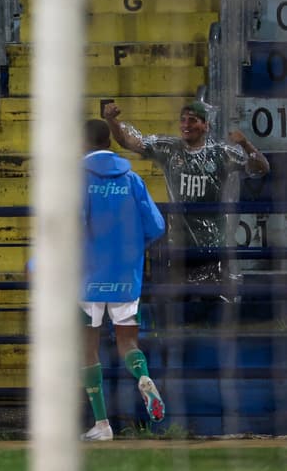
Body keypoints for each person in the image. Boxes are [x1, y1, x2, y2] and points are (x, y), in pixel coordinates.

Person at [103, 101, 270, 283]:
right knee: (179, 301)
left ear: (206, 125)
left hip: (213, 245)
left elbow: (260, 169)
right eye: (183, 120)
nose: (186, 125)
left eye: (193, 120)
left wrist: (245, 144)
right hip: (179, 245)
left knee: (212, 300)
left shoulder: (220, 153)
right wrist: (112, 121)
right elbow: (128, 142)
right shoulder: (169, 149)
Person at [80, 119, 167, 441]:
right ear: (108, 142)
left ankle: (102, 424)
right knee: (128, 342)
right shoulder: (132, 178)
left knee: (87, 348)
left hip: (87, 276)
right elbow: (156, 226)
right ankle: (143, 376)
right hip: (126, 275)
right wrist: (130, 250)